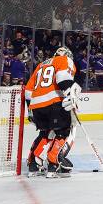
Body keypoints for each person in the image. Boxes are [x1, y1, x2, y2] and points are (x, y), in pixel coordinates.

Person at [24, 46, 81, 178]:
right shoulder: (64, 60)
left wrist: (30, 109)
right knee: (64, 132)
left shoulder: (41, 65)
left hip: (36, 105)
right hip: (54, 103)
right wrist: (69, 95)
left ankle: (34, 164)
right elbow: (62, 78)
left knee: (45, 133)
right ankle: (54, 164)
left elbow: (28, 90)